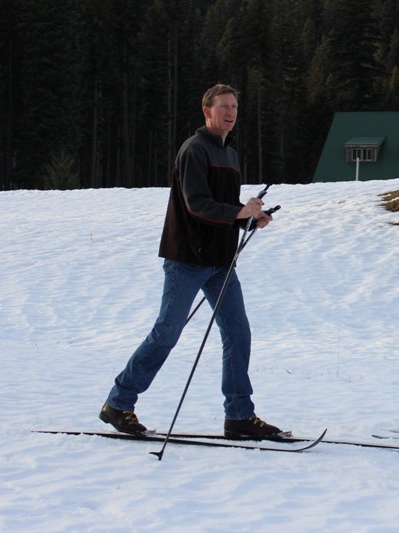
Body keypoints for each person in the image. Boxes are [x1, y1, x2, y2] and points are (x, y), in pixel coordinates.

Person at [99, 83, 284, 440]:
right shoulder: (194, 150)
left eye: (234, 107)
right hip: (187, 259)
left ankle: (239, 416)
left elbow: (224, 211)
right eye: (223, 107)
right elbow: (196, 203)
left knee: (238, 333)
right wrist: (237, 212)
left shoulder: (229, 154)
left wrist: (249, 219)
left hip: (221, 262)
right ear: (207, 111)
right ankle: (118, 404)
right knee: (167, 334)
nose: (230, 113)